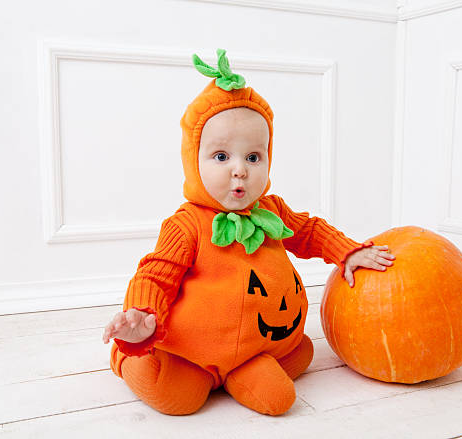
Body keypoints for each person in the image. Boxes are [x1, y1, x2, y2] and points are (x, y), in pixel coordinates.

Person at [102, 49, 395, 416]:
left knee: (289, 380)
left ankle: (236, 370)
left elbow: (310, 231)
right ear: (194, 161)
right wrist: (141, 317)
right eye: (222, 157)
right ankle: (130, 354)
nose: (239, 170)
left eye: (253, 157)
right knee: (179, 401)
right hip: (190, 350)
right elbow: (154, 274)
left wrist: (348, 252)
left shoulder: (272, 210)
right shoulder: (186, 224)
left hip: (256, 346)